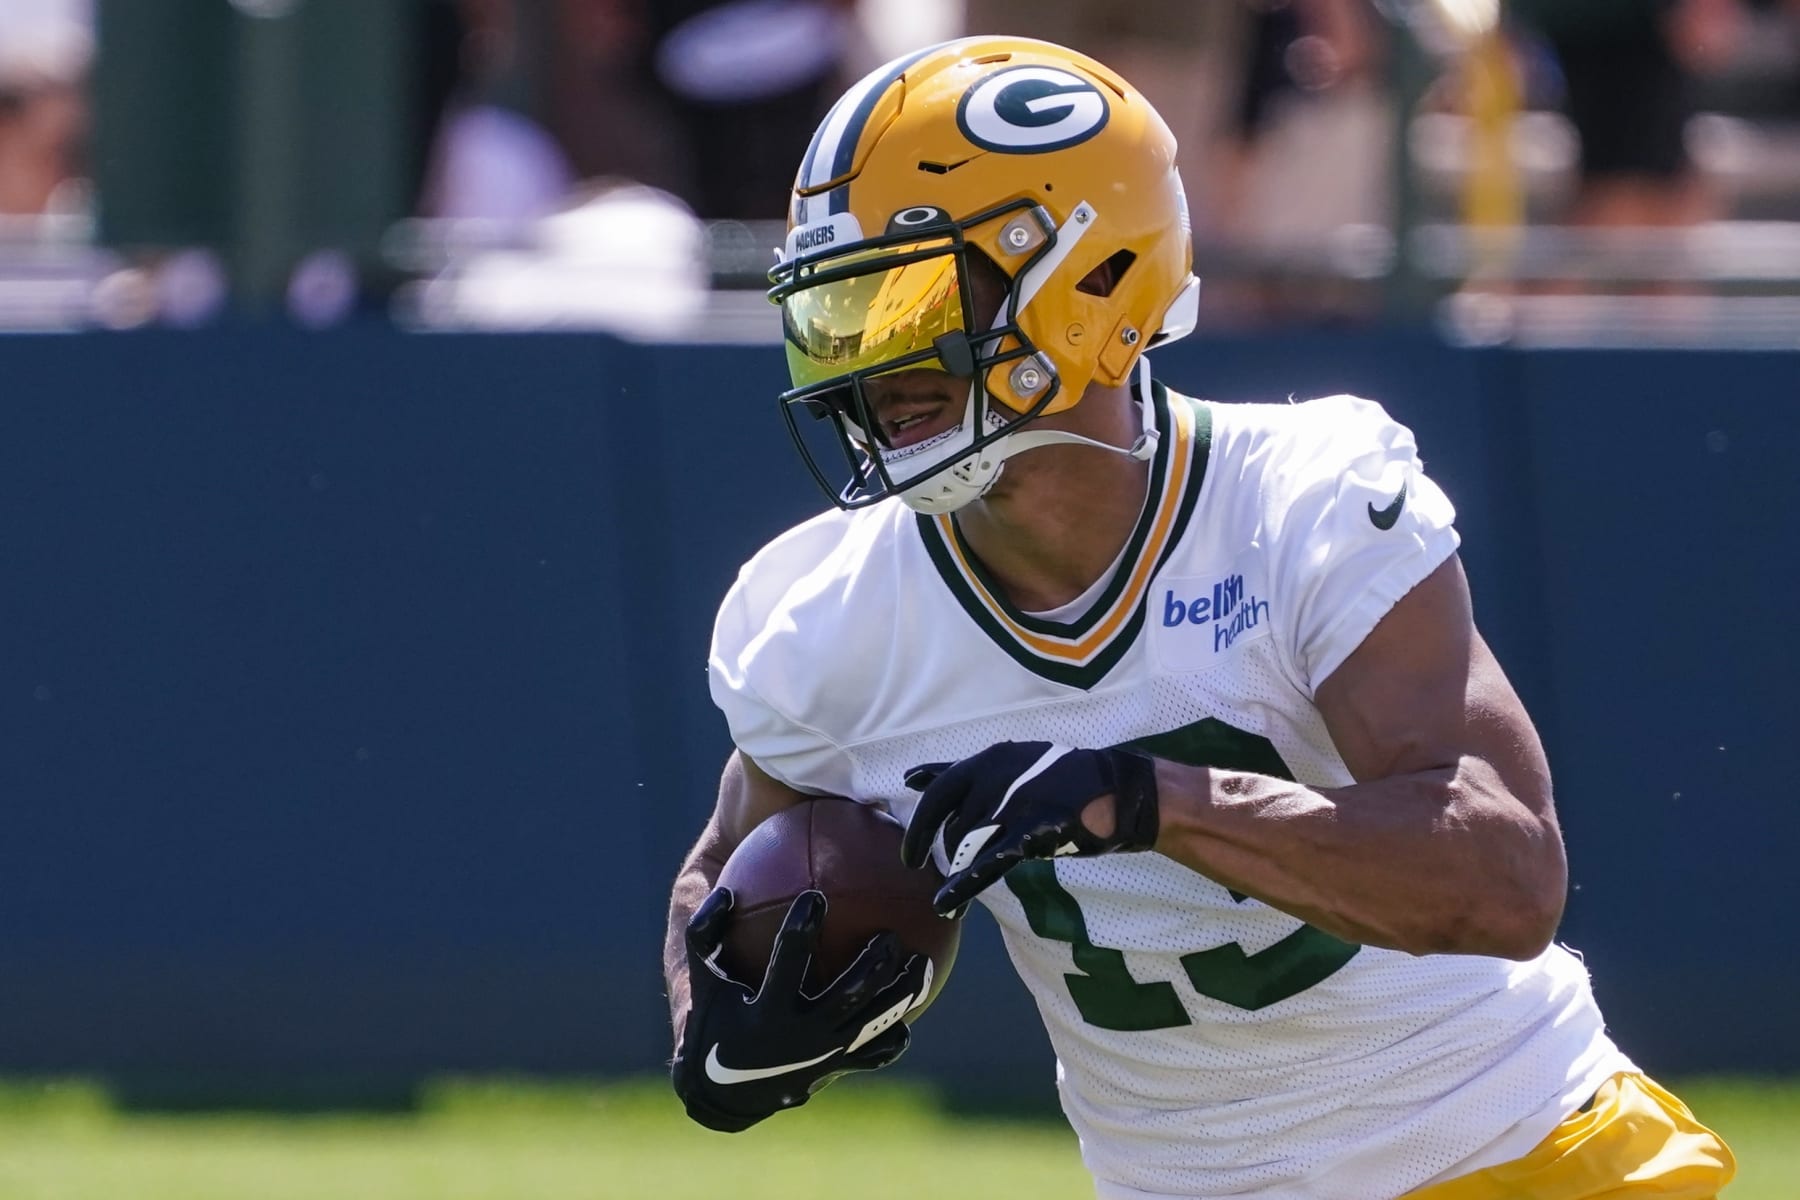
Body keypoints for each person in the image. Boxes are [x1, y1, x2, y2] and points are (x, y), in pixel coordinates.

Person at [663, 36, 1737, 1199]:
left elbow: (1505, 877)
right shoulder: (828, 616)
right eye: (837, 316)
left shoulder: (1301, 503)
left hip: (1519, 1155)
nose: (870, 370)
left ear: (1083, 275)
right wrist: (715, 1017)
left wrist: (1153, 801)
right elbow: (726, 861)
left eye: (903, 302)